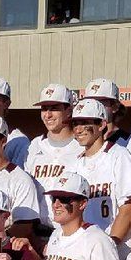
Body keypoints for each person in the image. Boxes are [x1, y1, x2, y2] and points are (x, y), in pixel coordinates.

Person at [70, 98, 131, 247]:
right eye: (75, 123)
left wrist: (110, 244)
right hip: (85, 246)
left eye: (85, 123)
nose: (78, 129)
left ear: (102, 124)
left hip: (119, 244)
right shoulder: (75, 165)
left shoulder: (119, 155)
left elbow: (129, 208)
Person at [24, 84, 83, 230]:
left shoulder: (81, 146)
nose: (48, 115)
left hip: (67, 229)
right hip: (36, 230)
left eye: (54, 108)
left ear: (69, 110)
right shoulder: (34, 146)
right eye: (44, 109)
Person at [82, 77, 131, 144]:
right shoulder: (79, 141)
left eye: (100, 102)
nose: (94, 107)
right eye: (90, 102)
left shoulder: (129, 141)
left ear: (115, 106)